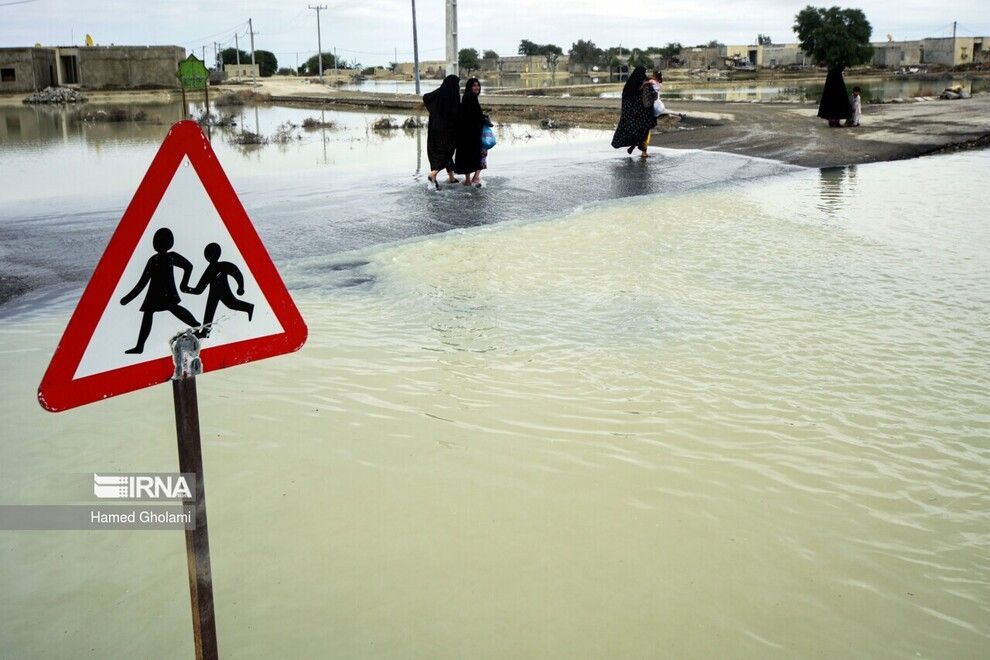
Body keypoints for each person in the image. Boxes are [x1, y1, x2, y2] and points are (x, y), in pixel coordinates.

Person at [120, 227, 199, 354]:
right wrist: (128, 298)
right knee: (150, 313)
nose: (156, 244)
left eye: (159, 241)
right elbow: (143, 281)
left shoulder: (170, 257)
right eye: (155, 241)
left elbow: (188, 266)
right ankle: (140, 346)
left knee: (174, 308)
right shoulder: (153, 260)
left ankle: (197, 325)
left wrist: (184, 284)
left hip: (166, 291)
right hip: (154, 293)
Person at [184, 242, 254, 336]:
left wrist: (241, 287)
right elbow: (199, 289)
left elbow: (236, 272)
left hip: (223, 291)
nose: (208, 256)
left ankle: (249, 307)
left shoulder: (221, 266)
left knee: (231, 304)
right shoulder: (212, 268)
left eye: (209, 254)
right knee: (210, 311)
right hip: (214, 293)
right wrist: (187, 289)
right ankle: (205, 332)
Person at [610, 66, 658, 158]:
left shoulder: (630, 84)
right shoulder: (645, 83)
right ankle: (642, 151)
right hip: (645, 113)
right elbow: (653, 95)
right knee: (644, 131)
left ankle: (634, 147)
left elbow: (626, 98)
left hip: (633, 114)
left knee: (636, 131)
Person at [422, 74, 460, 189]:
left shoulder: (439, 93)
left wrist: (433, 112)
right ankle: (433, 174)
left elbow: (426, 97)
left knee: (440, 152)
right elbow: (456, 114)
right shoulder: (453, 96)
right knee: (447, 152)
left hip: (434, 129)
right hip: (447, 131)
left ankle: (451, 177)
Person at [454, 78, 486, 186]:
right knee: (482, 152)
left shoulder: (466, 97)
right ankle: (475, 177)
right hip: (472, 134)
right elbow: (475, 116)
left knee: (466, 156)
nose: (477, 87)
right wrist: (483, 118)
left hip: (464, 134)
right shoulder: (472, 97)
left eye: (478, 85)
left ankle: (468, 180)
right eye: (474, 85)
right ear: (470, 87)